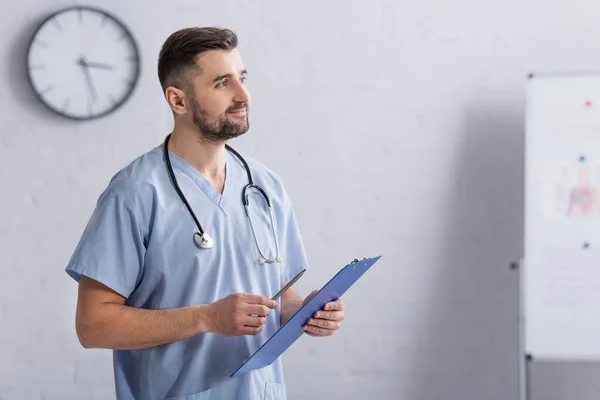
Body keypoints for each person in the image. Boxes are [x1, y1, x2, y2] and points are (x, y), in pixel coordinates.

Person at [65, 26, 346, 399]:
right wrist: (206, 317)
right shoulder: (134, 193)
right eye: (222, 83)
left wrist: (300, 312)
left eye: (242, 79)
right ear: (178, 101)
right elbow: (93, 325)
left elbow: (280, 291)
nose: (243, 95)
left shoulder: (264, 187)